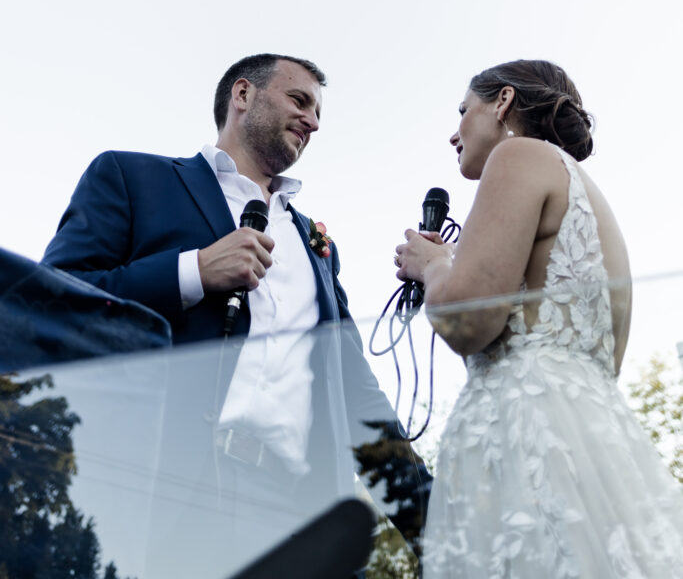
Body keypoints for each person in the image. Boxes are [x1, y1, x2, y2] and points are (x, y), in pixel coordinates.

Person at [43, 53, 429, 574]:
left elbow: (352, 386)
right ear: (242, 95)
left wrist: (429, 521)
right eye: (300, 101)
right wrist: (192, 271)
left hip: (302, 516)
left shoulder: (318, 245)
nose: (313, 122)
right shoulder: (133, 177)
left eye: (319, 114)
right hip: (167, 494)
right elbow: (55, 303)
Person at [394, 59, 683, 578]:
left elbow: (468, 321)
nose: (454, 132)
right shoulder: (591, 199)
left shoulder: (518, 155)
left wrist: (433, 266)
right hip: (589, 444)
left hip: (523, 435)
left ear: (502, 101)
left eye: (464, 110)